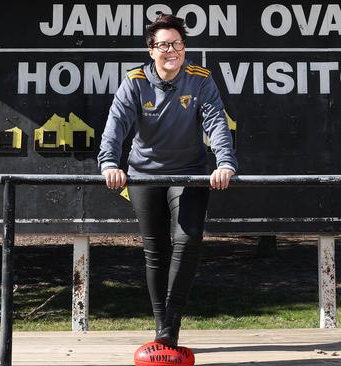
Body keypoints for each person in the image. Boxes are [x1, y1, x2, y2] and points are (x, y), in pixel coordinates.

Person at [97, 13, 238, 348]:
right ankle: (162, 326)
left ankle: (170, 327)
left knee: (188, 240)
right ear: (151, 51)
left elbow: (217, 122)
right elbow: (115, 126)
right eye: (163, 45)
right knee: (155, 251)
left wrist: (225, 163)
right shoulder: (134, 81)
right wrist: (108, 164)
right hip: (144, 175)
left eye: (177, 44)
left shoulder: (200, 79)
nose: (170, 50)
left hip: (190, 172)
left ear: (184, 48)